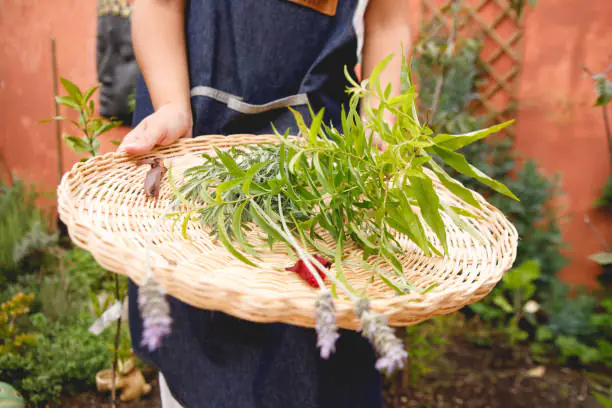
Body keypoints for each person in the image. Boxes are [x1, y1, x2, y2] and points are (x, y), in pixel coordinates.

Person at [118, 1, 411, 407]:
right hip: (196, 141)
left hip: (319, 160)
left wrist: (382, 123)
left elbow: (389, 20)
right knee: (201, 357)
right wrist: (172, 107)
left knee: (316, 356)